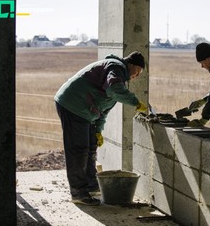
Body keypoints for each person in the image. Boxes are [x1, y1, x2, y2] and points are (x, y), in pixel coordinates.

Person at [54, 51, 147, 205]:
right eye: (137, 71)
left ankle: (90, 186)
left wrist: (97, 131)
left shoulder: (119, 80)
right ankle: (78, 193)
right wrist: (136, 102)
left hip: (84, 109)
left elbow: (103, 111)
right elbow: (113, 90)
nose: (136, 76)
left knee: (90, 147)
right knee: (79, 150)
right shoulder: (116, 68)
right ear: (131, 65)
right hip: (73, 105)